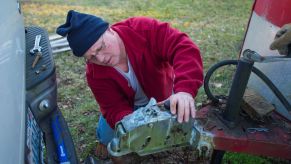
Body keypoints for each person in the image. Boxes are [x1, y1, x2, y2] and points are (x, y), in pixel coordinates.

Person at [56, 10, 203, 160]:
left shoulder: (143, 29)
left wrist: (184, 90)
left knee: (177, 134)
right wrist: (134, 124)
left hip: (163, 100)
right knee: (110, 137)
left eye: (100, 47)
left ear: (109, 30)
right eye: (91, 57)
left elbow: (183, 47)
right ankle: (104, 137)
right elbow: (113, 108)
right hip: (130, 110)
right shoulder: (94, 73)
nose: (101, 58)